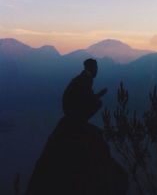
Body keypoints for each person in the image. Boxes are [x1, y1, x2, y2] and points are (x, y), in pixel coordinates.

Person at [26, 59, 129, 195]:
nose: (97, 70)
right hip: (73, 110)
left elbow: (82, 96)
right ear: (92, 68)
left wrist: (95, 96)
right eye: (96, 67)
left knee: (96, 101)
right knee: (97, 103)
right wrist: (96, 98)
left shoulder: (82, 78)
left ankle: (79, 119)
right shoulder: (86, 79)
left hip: (70, 109)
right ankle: (79, 120)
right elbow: (85, 98)